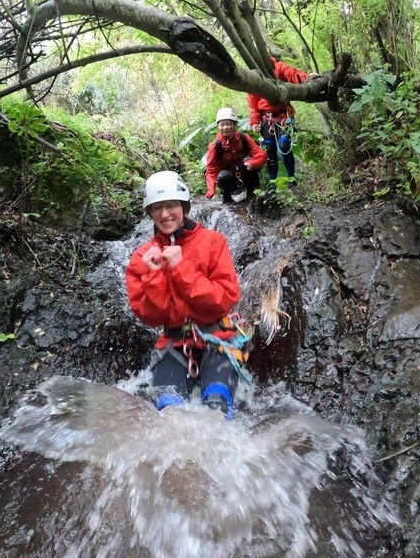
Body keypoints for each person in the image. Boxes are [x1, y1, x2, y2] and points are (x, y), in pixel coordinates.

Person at [125, 171, 250, 418]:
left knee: (218, 406)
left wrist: (181, 268)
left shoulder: (213, 242)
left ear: (183, 206)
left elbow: (224, 298)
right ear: (150, 213)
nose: (164, 214)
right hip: (174, 343)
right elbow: (151, 317)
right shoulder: (143, 257)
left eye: (171, 205)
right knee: (169, 411)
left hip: (218, 339)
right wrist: (155, 275)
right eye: (156, 208)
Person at [247, 57, 311, 181]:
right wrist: (255, 121)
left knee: (284, 145)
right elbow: (253, 103)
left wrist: (307, 78)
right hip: (266, 119)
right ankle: (272, 181)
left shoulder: (279, 67)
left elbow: (293, 74)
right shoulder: (254, 76)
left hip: (284, 116)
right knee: (269, 148)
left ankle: (291, 177)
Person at [204, 107, 267, 204]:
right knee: (223, 176)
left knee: (249, 162)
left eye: (228, 124)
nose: (225, 128)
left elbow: (261, 154)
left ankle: (251, 195)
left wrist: (253, 163)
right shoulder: (215, 145)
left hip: (245, 174)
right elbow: (211, 169)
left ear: (234, 125)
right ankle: (227, 199)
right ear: (218, 126)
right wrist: (210, 191)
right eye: (222, 125)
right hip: (228, 179)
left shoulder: (244, 138)